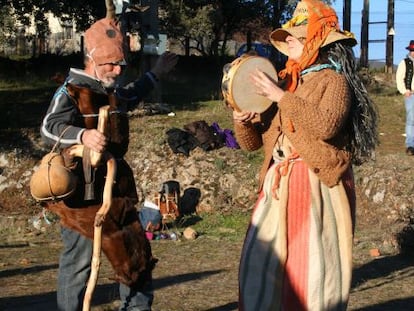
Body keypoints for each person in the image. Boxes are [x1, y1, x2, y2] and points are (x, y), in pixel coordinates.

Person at [230, 0, 378, 310]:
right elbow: (252, 144)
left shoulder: (334, 81)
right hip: (278, 184)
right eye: (286, 38)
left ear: (315, 39)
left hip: (316, 184)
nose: (287, 43)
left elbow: (325, 125)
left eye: (295, 36)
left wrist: (280, 97)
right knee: (261, 263)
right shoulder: (284, 80)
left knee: (311, 270)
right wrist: (240, 120)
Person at [40, 16, 177, 311]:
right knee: (79, 263)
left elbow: (131, 95)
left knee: (135, 256)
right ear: (91, 59)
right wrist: (83, 135)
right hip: (81, 197)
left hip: (117, 193)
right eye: (109, 65)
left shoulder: (112, 90)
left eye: (120, 65)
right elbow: (48, 127)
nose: (116, 71)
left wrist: (155, 74)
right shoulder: (71, 90)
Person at [396, 40, 414, 155]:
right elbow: (399, 78)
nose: (413, 52)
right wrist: (404, 91)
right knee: (411, 120)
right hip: (411, 94)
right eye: (412, 50)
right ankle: (410, 145)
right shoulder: (404, 62)